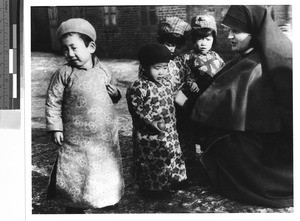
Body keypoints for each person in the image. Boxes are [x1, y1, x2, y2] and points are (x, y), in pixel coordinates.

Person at [177, 5, 293, 208]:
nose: (229, 36)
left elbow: (219, 105)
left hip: (265, 150)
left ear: (254, 33)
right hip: (260, 136)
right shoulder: (247, 56)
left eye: (236, 31)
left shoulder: (255, 65)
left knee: (219, 138)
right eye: (228, 30)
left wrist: (186, 103)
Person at [45, 18, 124, 213]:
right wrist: (56, 127)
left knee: (104, 168)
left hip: (104, 136)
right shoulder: (64, 73)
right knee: (76, 171)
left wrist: (116, 94)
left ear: (91, 46)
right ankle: (74, 205)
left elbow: (114, 93)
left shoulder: (104, 70)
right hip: (76, 136)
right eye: (65, 49)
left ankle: (107, 198)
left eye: (74, 48)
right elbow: (53, 100)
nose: (70, 54)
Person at [126, 43, 187, 198]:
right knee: (154, 160)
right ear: (145, 67)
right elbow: (136, 109)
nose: (162, 72)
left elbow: (176, 94)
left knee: (172, 153)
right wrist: (149, 122)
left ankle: (175, 179)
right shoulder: (139, 86)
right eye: (157, 68)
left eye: (165, 67)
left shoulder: (167, 82)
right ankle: (154, 189)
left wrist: (189, 105)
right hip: (150, 135)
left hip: (170, 130)